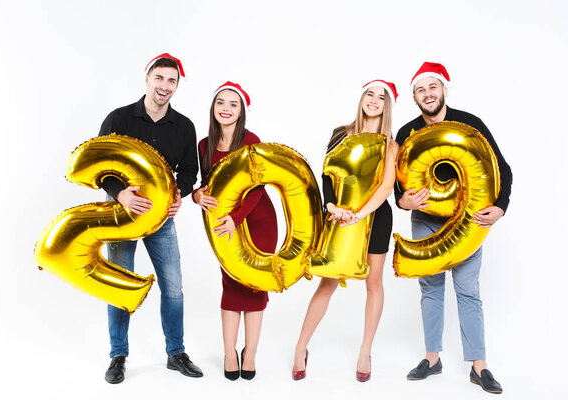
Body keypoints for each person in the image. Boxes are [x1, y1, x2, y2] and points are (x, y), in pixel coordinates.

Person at [396, 62, 512, 394]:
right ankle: (432, 359)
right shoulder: (406, 133)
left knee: (468, 291)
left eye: (433, 87)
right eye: (420, 89)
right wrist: (404, 202)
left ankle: (479, 366)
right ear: (414, 96)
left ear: (444, 89)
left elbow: (501, 167)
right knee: (430, 288)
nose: (427, 94)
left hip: (468, 222)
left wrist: (501, 206)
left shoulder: (470, 124)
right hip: (426, 220)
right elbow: (396, 187)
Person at [98, 53, 202, 384]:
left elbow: (188, 171)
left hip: (160, 219)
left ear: (176, 86)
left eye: (171, 81)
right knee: (120, 286)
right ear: (147, 79)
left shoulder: (184, 126)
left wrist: (178, 194)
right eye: (160, 78)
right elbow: (99, 164)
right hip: (122, 215)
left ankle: (176, 353)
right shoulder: (118, 119)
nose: (165, 86)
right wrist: (120, 193)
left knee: (173, 287)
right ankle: (118, 356)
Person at [292, 79, 399, 382]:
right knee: (327, 282)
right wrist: (331, 206)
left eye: (381, 97)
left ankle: (365, 350)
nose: (374, 100)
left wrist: (361, 214)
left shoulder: (390, 144)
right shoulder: (341, 133)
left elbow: (386, 186)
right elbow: (327, 173)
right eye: (370, 94)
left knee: (373, 283)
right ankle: (301, 347)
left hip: (375, 217)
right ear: (362, 97)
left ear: (386, 105)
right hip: (339, 214)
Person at [193, 82, 278, 381]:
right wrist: (196, 196)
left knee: (255, 286)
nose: (226, 109)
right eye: (221, 103)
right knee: (230, 286)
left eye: (233, 104)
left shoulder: (251, 140)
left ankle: (250, 352)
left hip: (257, 220)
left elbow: (258, 186)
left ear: (241, 111)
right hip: (223, 226)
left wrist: (238, 217)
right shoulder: (204, 145)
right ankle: (230, 352)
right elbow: (202, 186)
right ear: (213, 108)